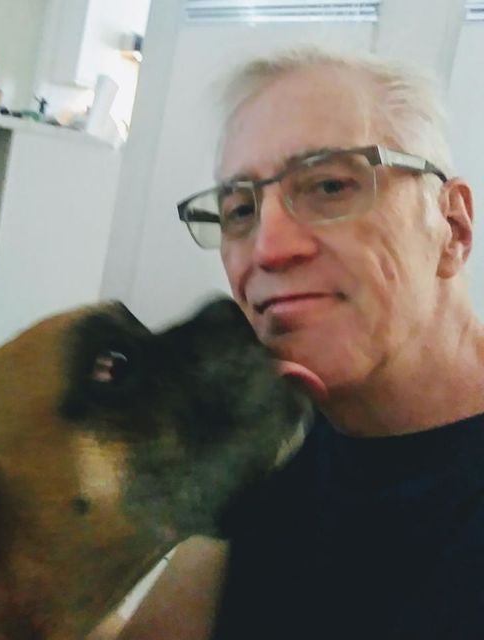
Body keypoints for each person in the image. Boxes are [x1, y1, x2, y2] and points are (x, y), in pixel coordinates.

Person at [100, 45, 484, 639]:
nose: (268, 249)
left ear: (452, 229)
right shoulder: (277, 424)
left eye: (330, 185)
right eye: (239, 210)